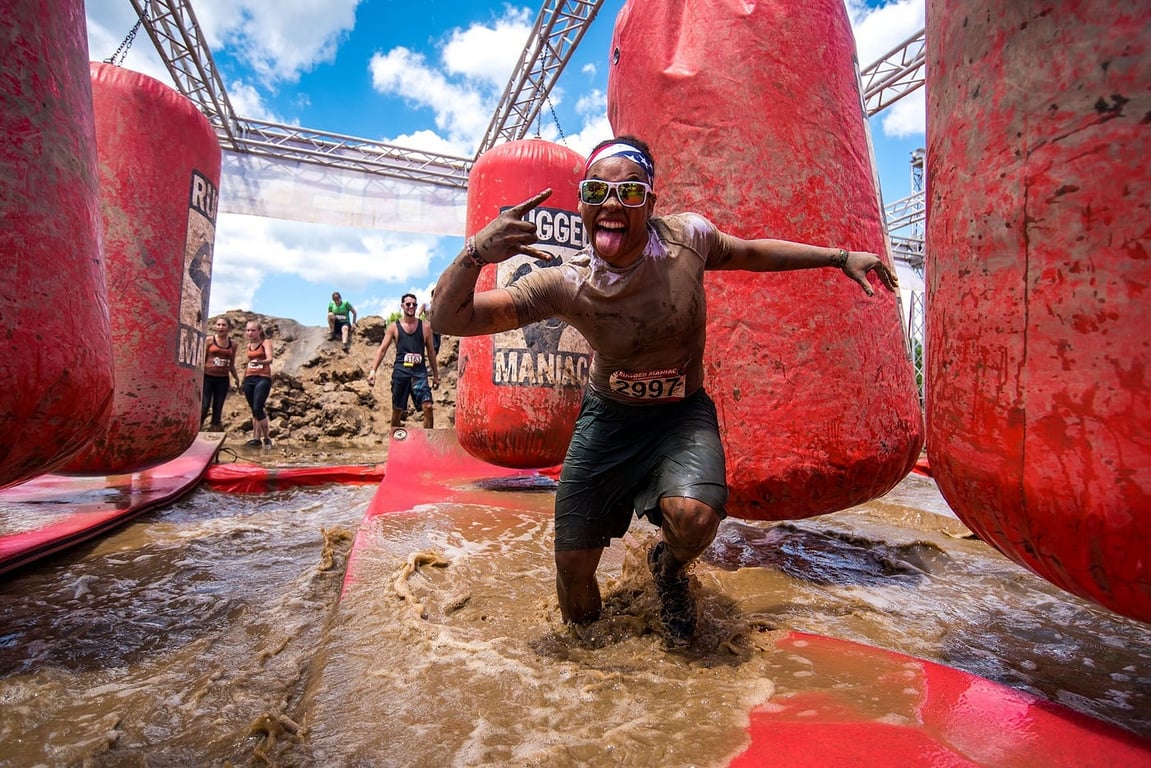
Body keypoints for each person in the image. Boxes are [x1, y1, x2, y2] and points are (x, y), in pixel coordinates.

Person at [430, 135, 898, 647]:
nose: (611, 205)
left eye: (629, 193)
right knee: (572, 566)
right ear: (582, 204)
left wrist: (840, 257)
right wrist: (475, 251)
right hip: (608, 419)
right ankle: (588, 669)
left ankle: (668, 568)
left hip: (680, 416)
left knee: (694, 519)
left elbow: (753, 252)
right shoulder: (565, 283)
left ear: (650, 203)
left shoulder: (688, 241)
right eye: (596, 192)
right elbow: (451, 319)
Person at [367, 293, 440, 429]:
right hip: (401, 373)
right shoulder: (394, 327)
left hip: (419, 374)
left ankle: (427, 441)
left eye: (414, 304)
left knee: (428, 407)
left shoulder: (425, 327)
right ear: (402, 306)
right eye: (408, 304)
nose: (411, 306)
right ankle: (396, 441)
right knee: (397, 410)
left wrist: (436, 375)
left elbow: (431, 353)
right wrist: (373, 371)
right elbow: (382, 350)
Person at [201, 316, 240, 431]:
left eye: (223, 325)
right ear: (215, 326)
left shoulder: (233, 344)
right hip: (207, 377)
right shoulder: (209, 340)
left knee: (218, 407)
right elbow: (202, 359)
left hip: (222, 379)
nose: (220, 327)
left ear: (229, 328)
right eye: (218, 325)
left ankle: (213, 431)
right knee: (204, 405)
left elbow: (231, 363)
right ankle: (196, 430)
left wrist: (236, 378)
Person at [242, 319, 275, 447]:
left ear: (259, 331)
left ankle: (267, 438)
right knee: (253, 410)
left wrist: (260, 362)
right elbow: (248, 364)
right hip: (249, 378)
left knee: (258, 408)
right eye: (248, 330)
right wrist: (243, 380)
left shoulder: (265, 343)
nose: (250, 333)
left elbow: (270, 359)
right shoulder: (248, 346)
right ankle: (256, 438)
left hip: (263, 377)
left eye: (253, 330)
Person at [419, 289, 442, 355]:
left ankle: (432, 362)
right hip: (429, 327)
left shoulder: (439, 305)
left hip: (437, 328)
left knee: (437, 347)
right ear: (432, 295)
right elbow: (418, 314)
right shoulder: (426, 304)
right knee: (433, 346)